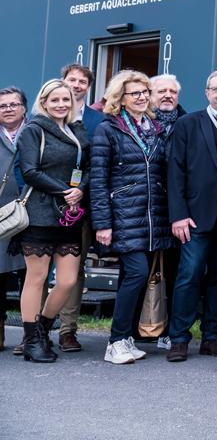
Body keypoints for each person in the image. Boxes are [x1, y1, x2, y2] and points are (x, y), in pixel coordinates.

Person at [90, 69, 173, 365]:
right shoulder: (108, 129)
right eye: (134, 93)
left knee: (132, 275)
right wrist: (102, 224)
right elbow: (98, 180)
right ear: (120, 98)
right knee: (137, 272)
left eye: (144, 92)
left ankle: (125, 338)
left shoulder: (154, 127)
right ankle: (114, 342)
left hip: (151, 216)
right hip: (123, 214)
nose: (141, 97)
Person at [164, 70, 217, 362]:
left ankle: (211, 337)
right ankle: (179, 338)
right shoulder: (188, 124)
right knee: (189, 275)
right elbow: (175, 171)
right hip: (195, 216)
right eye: (216, 89)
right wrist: (178, 215)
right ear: (207, 93)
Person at [12, 80, 89, 362]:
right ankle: (32, 340)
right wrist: (65, 190)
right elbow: (29, 171)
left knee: (68, 280)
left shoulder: (76, 130)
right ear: (43, 102)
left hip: (68, 215)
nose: (60, 105)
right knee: (37, 277)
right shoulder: (33, 129)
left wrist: (82, 189)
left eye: (65, 100)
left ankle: (42, 330)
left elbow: (88, 165)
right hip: (40, 212)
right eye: (54, 100)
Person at [57, 63, 102, 353]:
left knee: (73, 269)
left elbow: (98, 164)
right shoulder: (45, 113)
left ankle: (66, 330)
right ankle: (32, 327)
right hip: (45, 203)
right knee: (35, 272)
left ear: (88, 86)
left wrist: (80, 190)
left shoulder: (99, 120)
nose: (76, 85)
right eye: (71, 79)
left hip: (81, 207)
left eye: (82, 81)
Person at [0, 87, 28, 351]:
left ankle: (29, 333)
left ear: (24, 108)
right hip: (1, 213)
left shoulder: (35, 131)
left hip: (31, 210)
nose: (8, 109)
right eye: (3, 106)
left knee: (29, 274)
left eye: (13, 104)